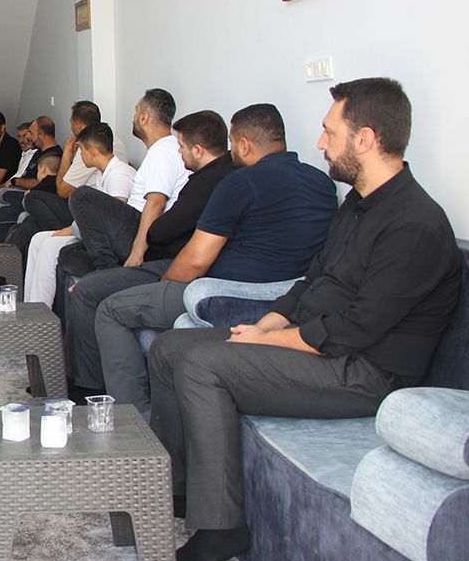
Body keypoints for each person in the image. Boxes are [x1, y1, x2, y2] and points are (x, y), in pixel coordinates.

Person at [149, 78, 462, 561]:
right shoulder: (357, 204)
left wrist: (268, 341)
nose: (319, 143)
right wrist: (267, 321)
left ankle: (221, 527)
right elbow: (313, 279)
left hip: (364, 374)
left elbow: (354, 330)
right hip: (323, 349)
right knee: (170, 348)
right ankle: (182, 487)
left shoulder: (415, 224)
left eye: (329, 132)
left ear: (365, 139)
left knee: (203, 364)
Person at [74, 104, 338, 415]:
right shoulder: (321, 183)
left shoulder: (240, 183)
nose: (230, 152)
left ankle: (133, 419)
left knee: (111, 310)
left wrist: (163, 284)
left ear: (244, 144)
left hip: (223, 294)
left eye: (232, 143)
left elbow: (195, 261)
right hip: (284, 299)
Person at [67, 88, 191, 269]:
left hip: (139, 231)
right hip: (133, 224)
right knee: (69, 254)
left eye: (136, 111)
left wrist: (137, 253)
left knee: (81, 196)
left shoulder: (162, 152)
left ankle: (107, 269)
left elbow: (156, 202)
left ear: (144, 118)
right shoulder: (165, 149)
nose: (133, 117)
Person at [23, 122, 137, 307]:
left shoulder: (119, 175)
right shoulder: (102, 174)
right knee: (38, 239)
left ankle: (41, 310)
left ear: (92, 152)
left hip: (109, 242)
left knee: (49, 246)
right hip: (90, 232)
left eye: (81, 151)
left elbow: (113, 222)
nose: (80, 156)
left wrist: (68, 231)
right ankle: (30, 307)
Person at [6, 101, 125, 262]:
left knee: (32, 199)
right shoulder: (113, 140)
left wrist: (67, 155)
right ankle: (5, 262)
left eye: (71, 122)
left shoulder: (90, 147)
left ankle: (4, 265)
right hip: (85, 203)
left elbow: (63, 190)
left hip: (85, 209)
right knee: (27, 226)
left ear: (77, 125)